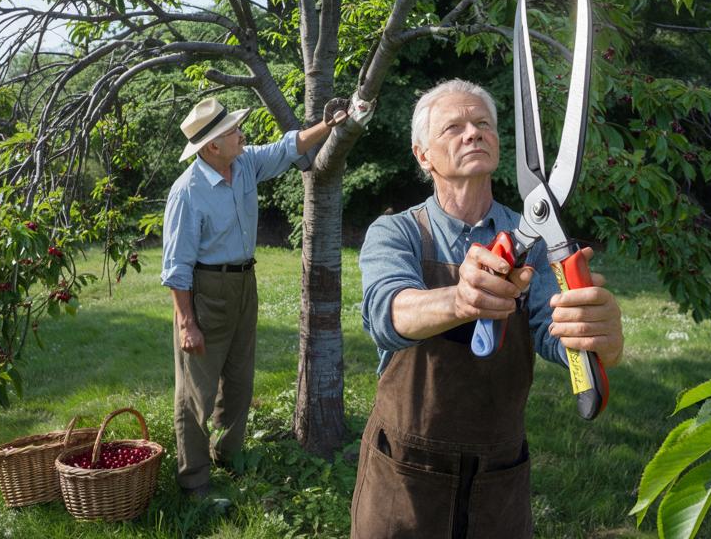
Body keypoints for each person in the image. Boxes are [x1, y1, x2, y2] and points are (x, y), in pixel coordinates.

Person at [350, 79, 624, 538]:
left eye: (483, 124)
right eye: (453, 127)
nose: (473, 133)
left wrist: (595, 337)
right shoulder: (396, 231)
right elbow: (388, 312)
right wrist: (459, 299)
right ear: (423, 155)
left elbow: (550, 331)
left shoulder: (530, 240)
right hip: (403, 476)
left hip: (498, 478)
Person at [161, 95, 371, 498]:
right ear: (212, 147)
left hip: (244, 284)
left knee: (239, 381)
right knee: (196, 393)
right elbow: (176, 267)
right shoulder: (187, 193)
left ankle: (227, 455)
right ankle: (194, 482)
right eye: (233, 131)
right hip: (204, 292)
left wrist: (328, 125)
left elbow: (288, 146)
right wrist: (187, 322)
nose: (242, 133)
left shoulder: (243, 164)